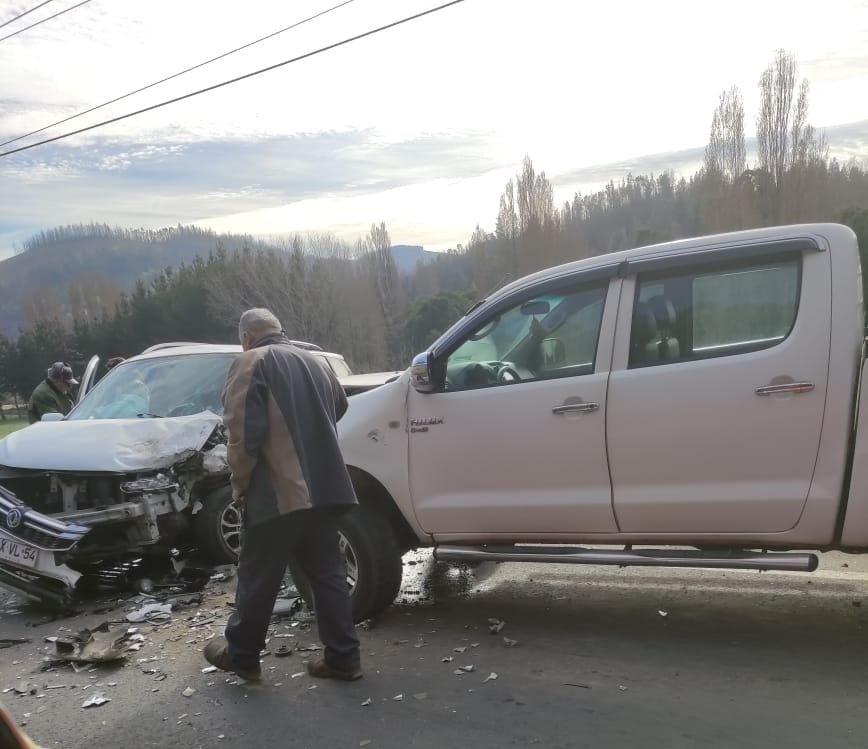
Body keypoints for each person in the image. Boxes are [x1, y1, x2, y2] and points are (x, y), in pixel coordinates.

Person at [204, 308, 362, 682]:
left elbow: (241, 431)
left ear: (246, 337)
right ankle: (343, 658)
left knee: (258, 573)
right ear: (279, 330)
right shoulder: (316, 362)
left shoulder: (251, 361)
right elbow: (339, 406)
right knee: (327, 574)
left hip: (278, 491)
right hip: (324, 487)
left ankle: (242, 655)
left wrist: (239, 483)